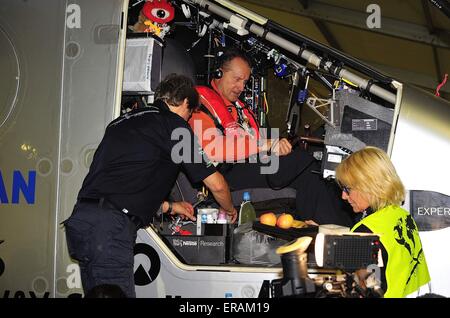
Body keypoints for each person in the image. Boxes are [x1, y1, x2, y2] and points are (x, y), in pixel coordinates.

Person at [64, 74, 237, 298]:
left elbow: (124, 184)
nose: (189, 120)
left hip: (84, 221)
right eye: (191, 113)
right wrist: (230, 210)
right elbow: (217, 185)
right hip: (109, 231)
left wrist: (172, 207)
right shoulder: (174, 126)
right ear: (185, 102)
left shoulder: (121, 122)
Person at [188, 47, 353, 225]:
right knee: (303, 161)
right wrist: (266, 145)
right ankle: (330, 227)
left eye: (245, 82)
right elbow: (213, 151)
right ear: (219, 73)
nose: (241, 87)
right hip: (228, 173)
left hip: (256, 165)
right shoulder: (201, 105)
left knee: (314, 172)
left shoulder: (238, 108)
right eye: (236, 79)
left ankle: (339, 228)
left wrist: (276, 149)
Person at [335, 146, 430, 298]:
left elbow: (363, 291)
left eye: (347, 189)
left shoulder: (364, 233)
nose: (343, 196)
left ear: (368, 186)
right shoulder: (402, 215)